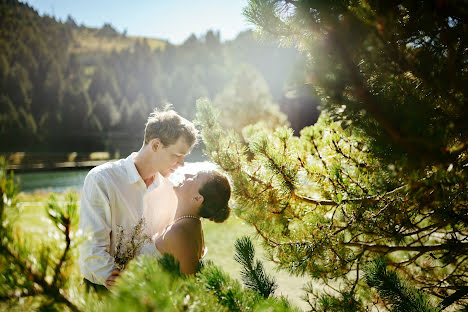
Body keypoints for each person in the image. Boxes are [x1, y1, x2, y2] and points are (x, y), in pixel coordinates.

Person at [78, 108, 198, 291]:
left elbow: (171, 241)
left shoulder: (171, 189)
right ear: (155, 145)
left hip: (154, 292)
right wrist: (125, 284)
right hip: (105, 293)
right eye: (177, 155)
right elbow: (92, 250)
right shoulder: (102, 180)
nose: (181, 164)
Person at [149, 170, 231, 274]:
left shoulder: (179, 232)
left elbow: (188, 284)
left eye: (195, 177)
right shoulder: (191, 224)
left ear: (197, 199)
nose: (186, 174)